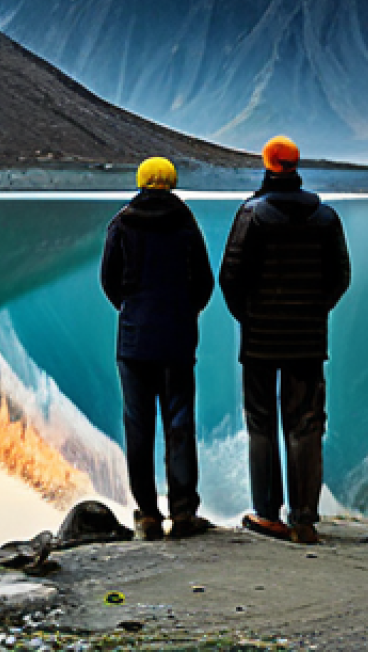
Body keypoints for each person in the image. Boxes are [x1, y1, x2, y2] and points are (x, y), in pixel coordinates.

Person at [220, 136, 351, 545]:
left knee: (261, 425)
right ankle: (305, 519)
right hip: (308, 340)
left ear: (267, 164)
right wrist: (315, 311)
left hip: (260, 340)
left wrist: (251, 317)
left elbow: (231, 278)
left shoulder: (251, 214)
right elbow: (340, 277)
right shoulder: (326, 217)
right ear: (296, 165)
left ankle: (267, 514)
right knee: (307, 424)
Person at [100, 156, 215, 540]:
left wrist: (131, 310)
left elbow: (109, 280)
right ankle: (183, 512)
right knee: (179, 423)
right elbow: (204, 280)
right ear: (171, 182)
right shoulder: (186, 223)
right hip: (177, 340)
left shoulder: (122, 222)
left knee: (138, 426)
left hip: (134, 341)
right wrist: (185, 312)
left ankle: (148, 514)